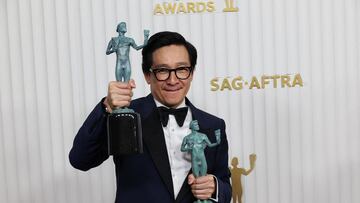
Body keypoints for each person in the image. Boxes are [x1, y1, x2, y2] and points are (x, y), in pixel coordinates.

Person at [69, 31, 231, 203]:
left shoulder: (214, 125)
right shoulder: (126, 116)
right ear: (148, 75)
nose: (173, 80)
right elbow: (81, 159)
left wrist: (214, 187)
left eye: (182, 69)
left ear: (191, 73)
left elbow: (225, 187)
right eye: (162, 70)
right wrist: (107, 107)